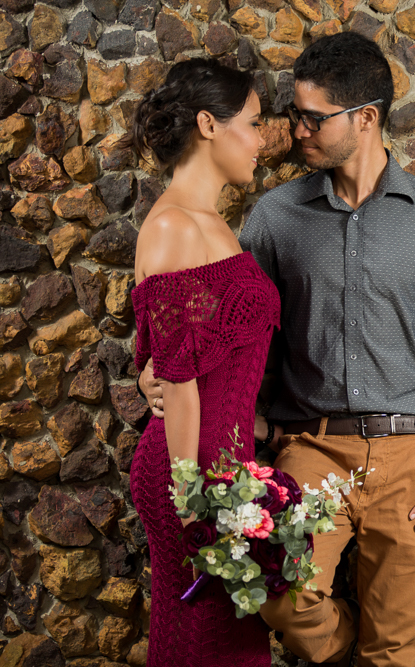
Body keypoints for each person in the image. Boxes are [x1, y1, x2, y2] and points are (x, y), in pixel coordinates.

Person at [141, 32, 415, 667]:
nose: (293, 132)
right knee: (267, 587)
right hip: (310, 450)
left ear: (365, 118)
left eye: (313, 118)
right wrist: (165, 373)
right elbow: (228, 323)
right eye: (292, 115)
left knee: (398, 652)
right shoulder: (274, 215)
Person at [125, 58, 279, 667]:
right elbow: (179, 377)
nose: (262, 140)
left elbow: (192, 357)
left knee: (227, 645)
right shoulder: (172, 227)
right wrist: (193, 498)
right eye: (254, 122)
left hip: (222, 471)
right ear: (209, 125)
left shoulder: (212, 223)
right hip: (187, 477)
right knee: (204, 645)